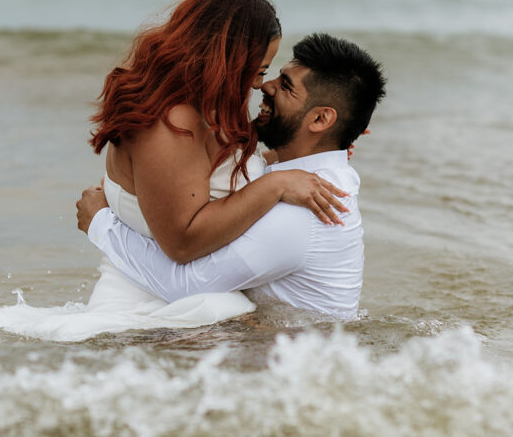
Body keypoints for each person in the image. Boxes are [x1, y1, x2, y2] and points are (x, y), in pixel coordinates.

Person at [0, 0, 348, 341]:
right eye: (259, 70)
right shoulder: (169, 122)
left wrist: (317, 151)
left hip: (202, 311)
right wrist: (276, 184)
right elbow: (184, 243)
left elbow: (217, 173)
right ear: (227, 61)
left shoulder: (211, 107)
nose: (258, 85)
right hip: (151, 315)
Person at [76, 33, 387, 319]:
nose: (267, 85)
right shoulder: (315, 173)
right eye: (276, 74)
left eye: (286, 85)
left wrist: (101, 223)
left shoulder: (304, 212)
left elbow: (188, 287)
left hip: (288, 367)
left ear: (321, 118)